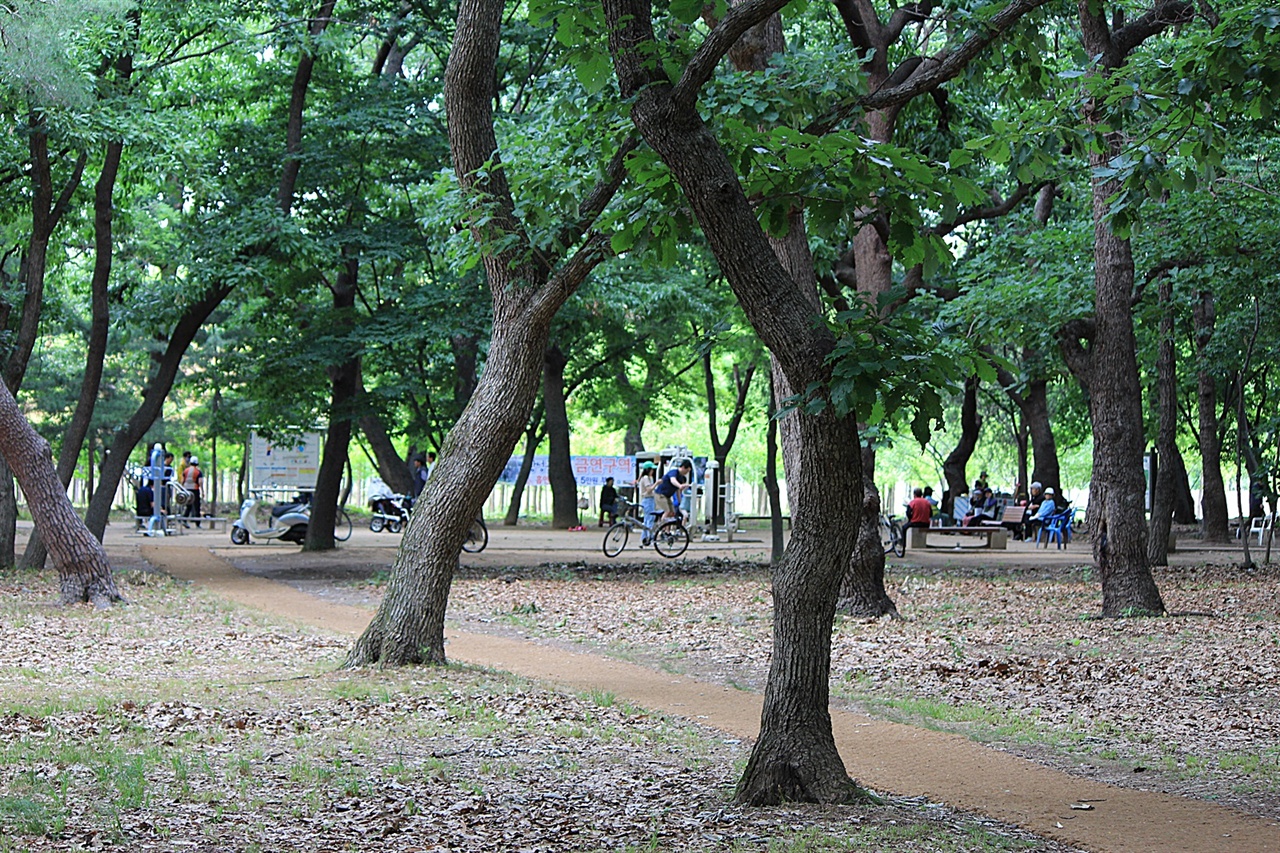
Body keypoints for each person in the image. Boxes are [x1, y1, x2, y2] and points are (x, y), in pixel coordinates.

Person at [636, 462, 657, 544]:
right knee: (649, 520)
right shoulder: (645, 478)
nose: (653, 471)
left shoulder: (649, 478)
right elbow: (649, 489)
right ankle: (649, 538)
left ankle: (644, 538)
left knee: (647, 520)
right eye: (651, 469)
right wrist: (656, 484)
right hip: (648, 500)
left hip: (650, 500)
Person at [182, 456, 204, 527]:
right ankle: (197, 523)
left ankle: (184, 519)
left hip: (186, 489)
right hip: (195, 489)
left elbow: (182, 480)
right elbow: (200, 482)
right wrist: (202, 491)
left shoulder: (185, 471)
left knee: (188, 505)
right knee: (196, 506)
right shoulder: (198, 472)